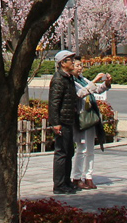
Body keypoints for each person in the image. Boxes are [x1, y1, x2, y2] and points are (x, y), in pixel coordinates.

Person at [48, 49, 80, 195]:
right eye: (70, 60)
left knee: (69, 152)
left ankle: (67, 181)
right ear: (62, 63)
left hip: (68, 119)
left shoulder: (68, 78)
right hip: (62, 121)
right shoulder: (59, 79)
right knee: (61, 152)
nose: (73, 62)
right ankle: (59, 184)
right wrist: (55, 123)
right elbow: (54, 103)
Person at [72, 70, 111, 190]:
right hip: (81, 118)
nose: (80, 68)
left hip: (91, 117)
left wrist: (106, 83)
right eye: (77, 65)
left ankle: (88, 176)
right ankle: (77, 177)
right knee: (81, 149)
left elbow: (97, 90)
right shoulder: (71, 82)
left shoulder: (84, 80)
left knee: (90, 149)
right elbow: (80, 94)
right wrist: (94, 81)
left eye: (81, 66)